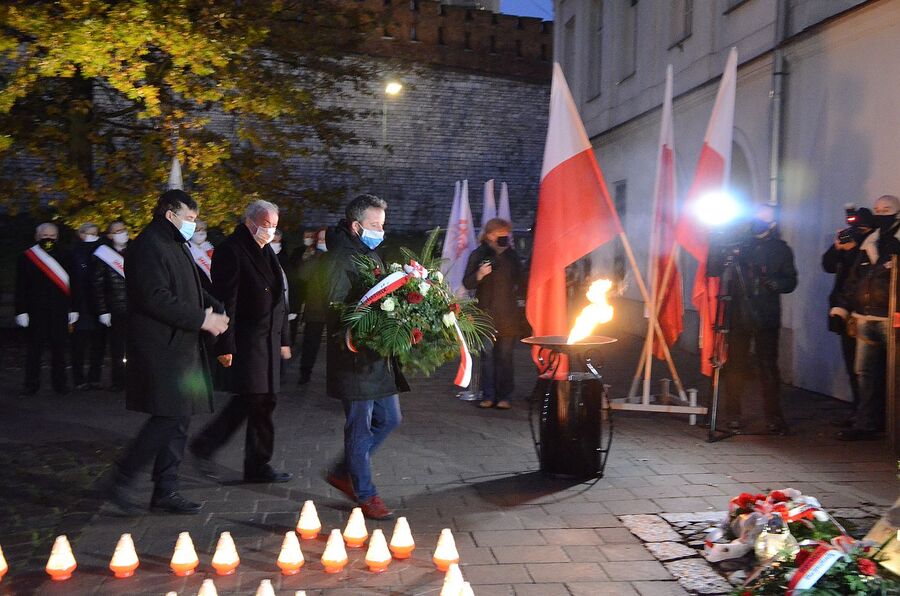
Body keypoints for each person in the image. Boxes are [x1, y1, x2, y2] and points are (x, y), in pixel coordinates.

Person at [108, 190, 229, 515]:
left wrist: (213, 305)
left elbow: (187, 286)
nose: (193, 224)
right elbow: (154, 297)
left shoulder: (174, 243)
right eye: (189, 218)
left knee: (179, 416)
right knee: (168, 416)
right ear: (169, 215)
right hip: (161, 346)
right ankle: (121, 477)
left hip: (182, 344)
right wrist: (201, 318)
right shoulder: (149, 245)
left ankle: (166, 489)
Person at [189, 200, 293, 484]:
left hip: (269, 341)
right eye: (267, 224)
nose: (271, 231)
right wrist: (224, 345)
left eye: (274, 225)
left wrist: (284, 339)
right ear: (250, 222)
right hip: (248, 341)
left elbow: (278, 299)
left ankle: (252, 462)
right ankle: (218, 450)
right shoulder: (231, 250)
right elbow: (227, 302)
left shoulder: (266, 250)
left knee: (259, 400)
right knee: (255, 399)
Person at [323, 194, 409, 520]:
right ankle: (365, 492)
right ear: (357, 226)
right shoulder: (340, 260)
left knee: (390, 419)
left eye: (383, 226)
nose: (381, 231)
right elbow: (336, 311)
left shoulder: (369, 254)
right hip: (355, 359)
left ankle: (344, 470)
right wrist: (367, 326)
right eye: (375, 225)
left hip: (378, 357)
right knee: (359, 428)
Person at [708, 204, 798, 434]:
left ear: (773, 223)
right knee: (736, 365)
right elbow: (714, 269)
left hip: (765, 315)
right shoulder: (739, 245)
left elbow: (790, 281)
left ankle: (773, 416)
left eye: (763, 217)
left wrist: (774, 283)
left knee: (768, 366)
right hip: (738, 313)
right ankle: (733, 414)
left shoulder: (780, 249)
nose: (757, 220)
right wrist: (716, 245)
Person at [832, 194, 900, 441]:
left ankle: (891, 422)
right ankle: (866, 421)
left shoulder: (895, 243)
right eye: (878, 209)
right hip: (865, 317)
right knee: (865, 372)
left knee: (893, 374)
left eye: (887, 210)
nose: (881, 213)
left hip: (890, 318)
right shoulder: (868, 243)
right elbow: (853, 280)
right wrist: (841, 309)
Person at [463, 218, 524, 410]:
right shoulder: (478, 254)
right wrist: (480, 274)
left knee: (505, 358)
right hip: (485, 314)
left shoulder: (512, 256)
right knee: (487, 357)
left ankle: (505, 396)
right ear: (489, 235)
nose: (505, 238)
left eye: (507, 234)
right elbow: (468, 283)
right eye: (500, 235)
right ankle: (488, 394)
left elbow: (522, 281)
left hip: (508, 315)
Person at [821, 207, 875, 423]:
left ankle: (868, 413)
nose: (857, 232)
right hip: (843, 310)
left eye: (861, 228)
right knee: (852, 364)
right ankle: (858, 409)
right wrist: (837, 248)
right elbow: (828, 266)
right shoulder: (848, 242)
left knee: (866, 368)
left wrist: (854, 249)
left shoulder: (873, 244)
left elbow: (866, 271)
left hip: (864, 312)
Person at [15, 223, 79, 395]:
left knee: (59, 350)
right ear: (37, 237)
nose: (48, 239)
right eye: (44, 235)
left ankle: (60, 385)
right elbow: (20, 287)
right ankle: (31, 385)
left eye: (52, 235)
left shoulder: (66, 255)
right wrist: (20, 311)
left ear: (57, 237)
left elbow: (75, 284)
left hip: (60, 310)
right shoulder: (27, 257)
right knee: (34, 350)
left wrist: (74, 308)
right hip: (36, 311)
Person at [92, 221, 129, 391]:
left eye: (124, 230)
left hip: (138, 308)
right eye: (118, 231)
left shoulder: (137, 251)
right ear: (110, 235)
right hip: (116, 309)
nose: (123, 233)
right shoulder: (103, 255)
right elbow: (98, 285)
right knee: (118, 349)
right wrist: (103, 310)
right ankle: (120, 381)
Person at [71, 222, 105, 390]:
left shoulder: (103, 251)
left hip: (99, 305)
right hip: (81, 305)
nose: (92, 236)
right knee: (79, 346)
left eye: (95, 233)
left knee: (98, 345)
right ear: (81, 234)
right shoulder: (74, 252)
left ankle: (94, 378)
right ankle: (79, 379)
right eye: (89, 233)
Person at [295, 228, 328, 385]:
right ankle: (305, 372)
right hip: (315, 308)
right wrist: (317, 255)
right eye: (320, 239)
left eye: (325, 239)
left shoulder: (337, 255)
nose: (322, 243)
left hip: (334, 308)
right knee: (310, 343)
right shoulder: (311, 255)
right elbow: (303, 275)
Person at [188, 219, 214, 292]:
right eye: (197, 229)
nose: (200, 232)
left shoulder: (209, 247)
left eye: (202, 229)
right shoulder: (188, 247)